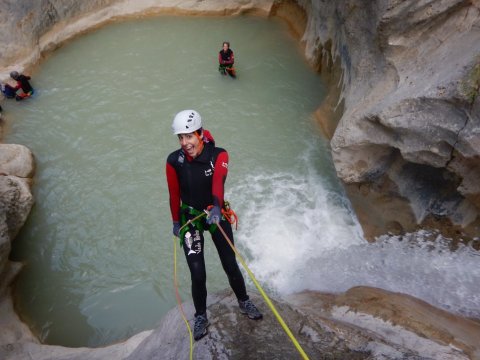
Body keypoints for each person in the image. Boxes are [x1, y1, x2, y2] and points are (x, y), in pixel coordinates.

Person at [166, 109, 262, 341]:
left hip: (214, 214)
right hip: (191, 218)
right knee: (197, 273)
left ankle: (244, 301)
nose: (184, 143)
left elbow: (218, 181)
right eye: (180, 137)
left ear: (200, 133)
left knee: (229, 263)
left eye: (189, 136)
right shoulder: (173, 161)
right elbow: (173, 194)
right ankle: (200, 316)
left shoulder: (218, 155)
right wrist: (176, 221)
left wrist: (218, 207)